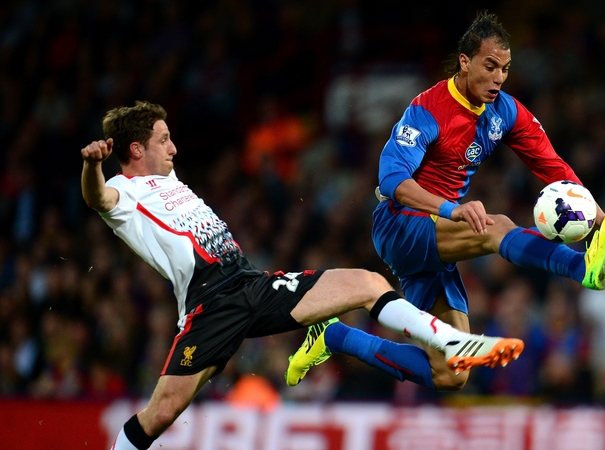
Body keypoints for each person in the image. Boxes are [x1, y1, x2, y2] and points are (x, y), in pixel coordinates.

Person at [81, 101, 523, 450]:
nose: (173, 147)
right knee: (160, 415)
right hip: (210, 305)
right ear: (136, 150)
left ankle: (450, 343)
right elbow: (98, 197)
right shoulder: (125, 192)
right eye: (163, 139)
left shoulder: (169, 176)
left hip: (250, 283)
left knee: (370, 283)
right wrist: (92, 166)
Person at [286, 11, 605, 392]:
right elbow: (391, 181)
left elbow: (551, 164)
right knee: (497, 226)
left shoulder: (504, 110)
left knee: (453, 372)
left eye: (505, 69)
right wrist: (450, 209)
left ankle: (335, 337)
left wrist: (598, 216)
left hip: (438, 242)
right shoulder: (428, 109)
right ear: (465, 61)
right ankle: (582, 269)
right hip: (400, 224)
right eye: (490, 66)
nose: (498, 78)